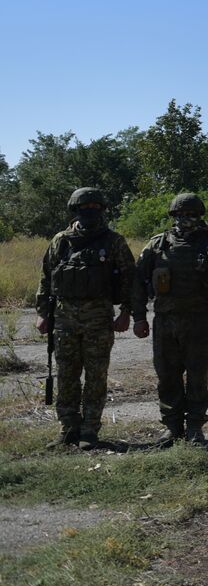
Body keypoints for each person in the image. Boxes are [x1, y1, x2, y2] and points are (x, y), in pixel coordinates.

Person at [131, 193, 208, 446]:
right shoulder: (157, 245)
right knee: (167, 375)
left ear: (199, 216)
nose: (186, 219)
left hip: (199, 321)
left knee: (198, 376)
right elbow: (137, 283)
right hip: (165, 321)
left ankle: (195, 427)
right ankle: (172, 427)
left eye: (191, 214)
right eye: (181, 215)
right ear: (173, 216)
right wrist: (138, 318)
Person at [35, 188, 135, 449]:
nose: (90, 210)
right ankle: (68, 429)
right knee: (66, 375)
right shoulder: (61, 240)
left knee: (95, 376)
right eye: (84, 206)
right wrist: (42, 313)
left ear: (102, 209)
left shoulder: (113, 241)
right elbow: (47, 278)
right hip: (64, 319)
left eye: (95, 206)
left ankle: (90, 430)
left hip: (99, 319)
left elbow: (129, 279)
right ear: (75, 209)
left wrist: (126, 312)